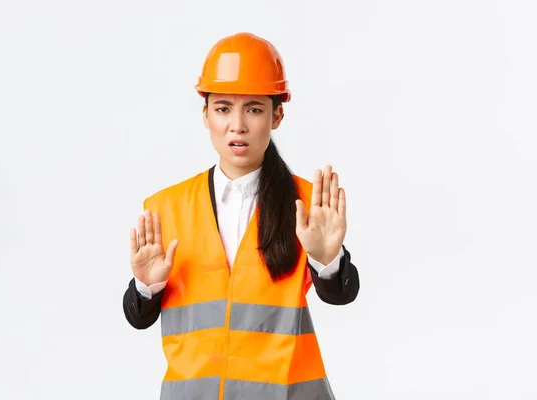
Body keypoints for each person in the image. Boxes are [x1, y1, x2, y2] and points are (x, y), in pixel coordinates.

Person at [122, 32, 360, 400]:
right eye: (222, 108)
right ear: (205, 115)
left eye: (253, 108)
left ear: (276, 115)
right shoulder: (166, 208)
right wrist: (146, 286)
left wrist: (328, 260)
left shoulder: (307, 205)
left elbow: (341, 295)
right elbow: (139, 317)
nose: (237, 125)